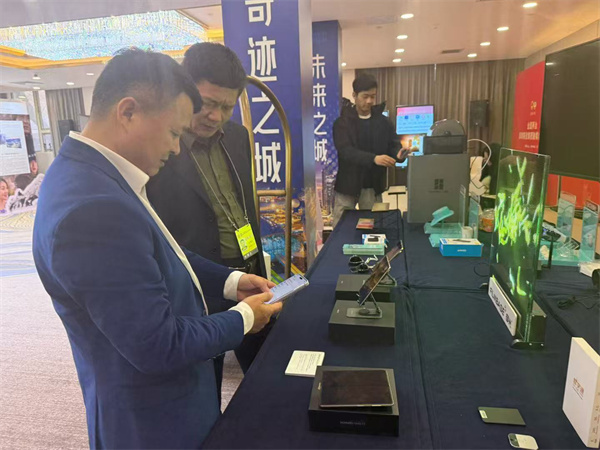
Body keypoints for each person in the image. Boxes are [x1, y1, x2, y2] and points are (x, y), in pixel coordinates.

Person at [32, 48, 282, 449]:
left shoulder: (101, 175)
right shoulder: (94, 208)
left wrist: (231, 281)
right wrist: (244, 318)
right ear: (128, 112)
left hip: (169, 402)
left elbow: (167, 253)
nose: (178, 149)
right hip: (151, 421)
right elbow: (157, 344)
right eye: (173, 133)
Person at [147, 42, 272, 374]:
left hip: (248, 271)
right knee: (205, 379)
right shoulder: (159, 146)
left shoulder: (237, 136)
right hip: (196, 282)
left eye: (227, 107)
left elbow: (244, 205)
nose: (216, 116)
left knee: (265, 368)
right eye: (208, 103)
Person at [332, 73, 408, 227]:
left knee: (373, 227)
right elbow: (345, 151)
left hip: (373, 185)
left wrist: (399, 155)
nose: (369, 101)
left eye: (373, 96)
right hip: (347, 185)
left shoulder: (383, 122)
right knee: (341, 228)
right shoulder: (342, 123)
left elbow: (393, 145)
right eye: (365, 96)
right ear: (354, 95)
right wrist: (374, 158)